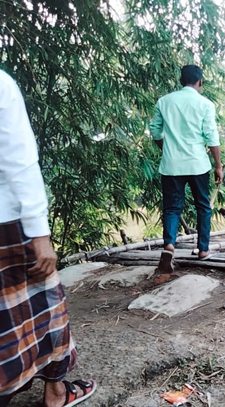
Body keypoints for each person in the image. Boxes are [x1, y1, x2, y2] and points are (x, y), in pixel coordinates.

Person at [0, 70, 96, 406]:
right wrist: (39, 231)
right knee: (47, 308)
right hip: (8, 224)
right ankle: (55, 392)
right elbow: (19, 160)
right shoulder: (1, 85)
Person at [149, 65, 223, 273]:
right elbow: (211, 136)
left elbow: (155, 130)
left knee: (172, 207)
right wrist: (218, 166)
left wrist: (167, 149)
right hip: (197, 163)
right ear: (200, 82)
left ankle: (169, 246)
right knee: (203, 206)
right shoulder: (205, 104)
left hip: (171, 165)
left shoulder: (164, 102)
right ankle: (203, 249)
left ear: (181, 81)